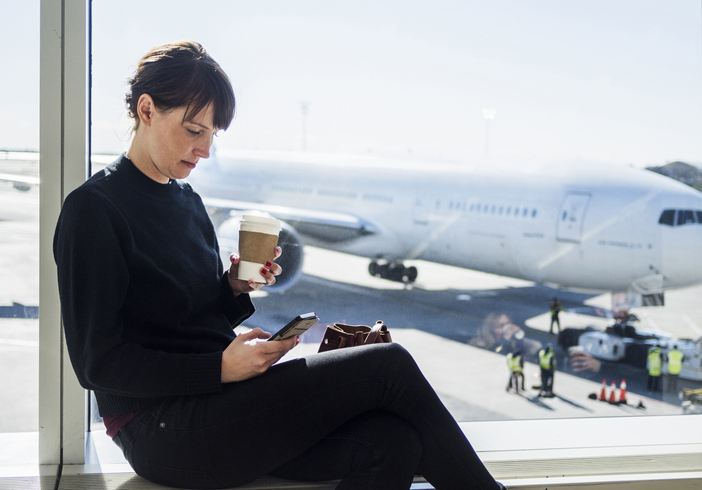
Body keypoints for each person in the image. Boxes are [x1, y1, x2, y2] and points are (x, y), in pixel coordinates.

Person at [52, 41, 505, 490]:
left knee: (393, 442)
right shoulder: (93, 210)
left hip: (217, 401)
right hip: (160, 428)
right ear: (146, 111)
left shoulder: (186, 200)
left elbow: (189, 318)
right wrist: (220, 369)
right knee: (388, 364)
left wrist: (232, 287)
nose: (205, 150)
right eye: (194, 131)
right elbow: (97, 365)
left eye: (212, 134)